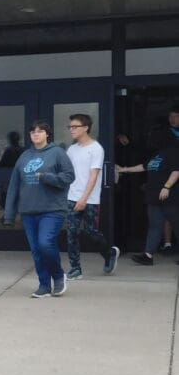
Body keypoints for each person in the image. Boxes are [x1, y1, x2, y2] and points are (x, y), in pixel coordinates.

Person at [2, 120, 76, 298]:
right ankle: (43, 285)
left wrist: (47, 177)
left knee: (45, 243)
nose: (36, 134)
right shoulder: (25, 156)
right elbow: (14, 185)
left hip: (52, 210)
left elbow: (69, 177)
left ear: (47, 134)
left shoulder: (57, 153)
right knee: (36, 250)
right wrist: (9, 215)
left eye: (40, 131)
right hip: (28, 210)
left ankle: (58, 276)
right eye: (33, 131)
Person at [64, 114, 120, 278]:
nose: (71, 130)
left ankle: (109, 253)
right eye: (70, 127)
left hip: (90, 199)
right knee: (72, 233)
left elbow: (94, 176)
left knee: (91, 232)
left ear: (85, 128)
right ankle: (75, 268)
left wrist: (84, 198)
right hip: (72, 196)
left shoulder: (96, 148)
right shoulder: (71, 149)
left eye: (75, 127)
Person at [117, 140, 179, 266]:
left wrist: (167, 186)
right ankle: (148, 255)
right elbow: (143, 167)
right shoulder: (156, 154)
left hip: (170, 197)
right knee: (155, 226)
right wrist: (125, 169)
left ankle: (149, 254)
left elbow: (176, 171)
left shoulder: (173, 152)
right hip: (154, 197)